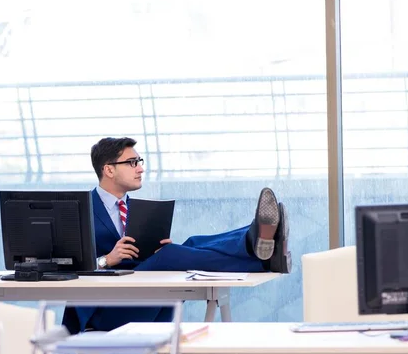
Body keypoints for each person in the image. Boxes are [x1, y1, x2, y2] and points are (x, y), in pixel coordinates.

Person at [62, 137, 291, 333]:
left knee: (188, 244)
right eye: (132, 163)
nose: (140, 168)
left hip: (146, 294)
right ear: (109, 169)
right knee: (171, 254)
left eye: (139, 162)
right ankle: (262, 255)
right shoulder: (79, 209)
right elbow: (61, 266)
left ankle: (254, 236)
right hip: (104, 311)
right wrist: (106, 260)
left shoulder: (137, 209)